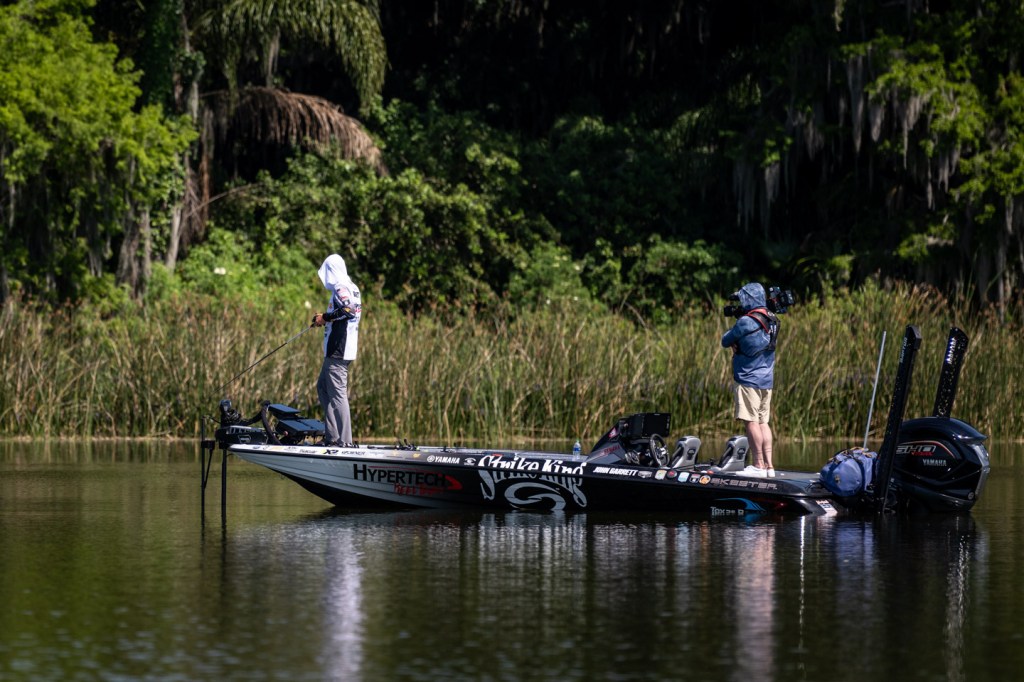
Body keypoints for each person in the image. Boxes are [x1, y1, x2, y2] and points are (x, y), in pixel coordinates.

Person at [721, 282, 778, 478]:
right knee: (763, 423)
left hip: (748, 380)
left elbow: (725, 340)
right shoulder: (772, 318)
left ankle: (758, 465)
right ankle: (769, 466)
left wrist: (735, 341)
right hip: (767, 381)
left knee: (751, 422)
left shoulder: (745, 322)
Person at [312, 254, 362, 446]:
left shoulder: (341, 286)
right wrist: (325, 318)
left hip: (338, 350)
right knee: (323, 387)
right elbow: (345, 312)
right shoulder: (352, 286)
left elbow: (348, 310)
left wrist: (325, 317)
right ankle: (332, 437)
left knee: (338, 394)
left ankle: (344, 442)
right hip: (340, 349)